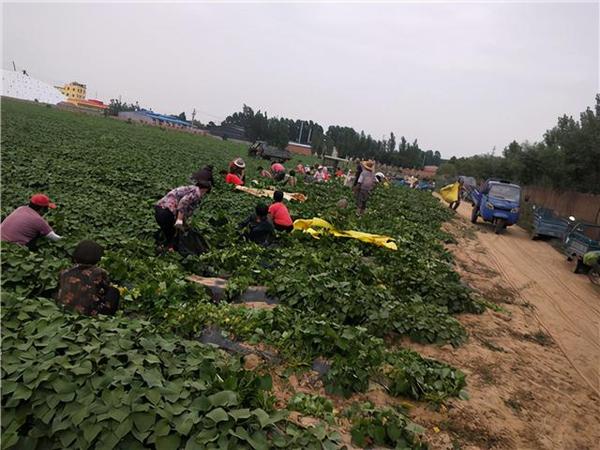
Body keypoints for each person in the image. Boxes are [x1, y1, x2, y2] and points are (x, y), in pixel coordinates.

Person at [57, 240, 120, 316]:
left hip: (67, 309)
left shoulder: (64, 272)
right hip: (92, 312)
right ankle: (108, 315)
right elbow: (104, 290)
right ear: (97, 258)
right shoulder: (99, 272)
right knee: (114, 291)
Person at [155, 181, 211, 249]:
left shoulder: (192, 189)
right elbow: (183, 202)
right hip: (166, 211)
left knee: (168, 230)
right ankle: (169, 247)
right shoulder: (197, 193)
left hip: (160, 208)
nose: (204, 195)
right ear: (205, 189)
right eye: (205, 193)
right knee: (171, 232)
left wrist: (182, 221)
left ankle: (162, 245)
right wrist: (179, 220)